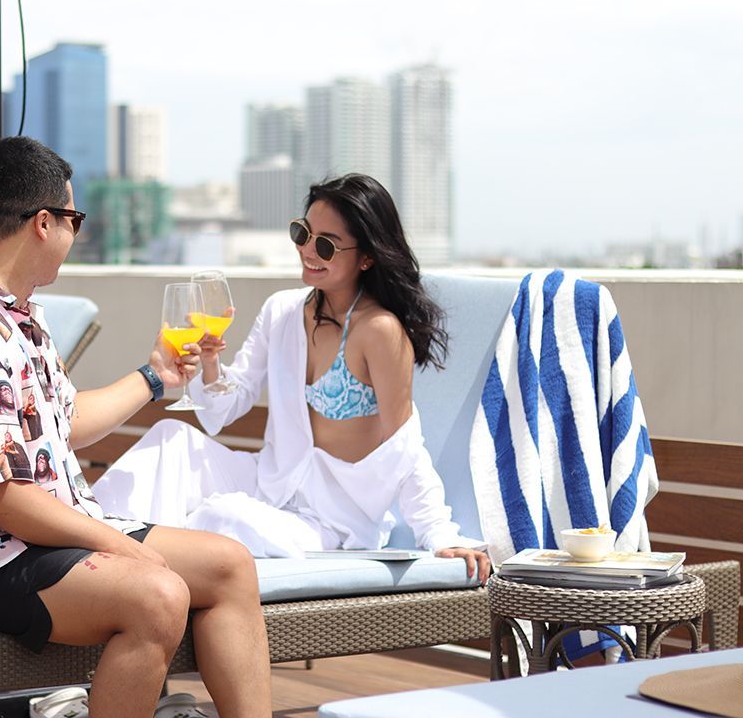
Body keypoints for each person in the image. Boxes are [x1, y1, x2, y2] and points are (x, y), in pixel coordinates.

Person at [0, 137, 270, 718]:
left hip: (42, 535)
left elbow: (62, 424)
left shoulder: (18, 315)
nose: (76, 234)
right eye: (75, 219)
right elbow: (6, 499)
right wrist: (120, 547)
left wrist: (156, 376)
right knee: (158, 597)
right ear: (44, 223)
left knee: (229, 564)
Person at [92, 173, 491, 584]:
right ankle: (84, 544)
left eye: (325, 245)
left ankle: (132, 568)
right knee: (171, 440)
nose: (306, 251)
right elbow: (229, 403)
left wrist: (438, 534)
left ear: (366, 257)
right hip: (271, 480)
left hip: (331, 520)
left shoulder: (379, 330)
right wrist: (210, 366)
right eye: (302, 234)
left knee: (223, 516)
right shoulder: (282, 310)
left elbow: (403, 448)